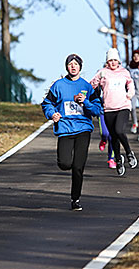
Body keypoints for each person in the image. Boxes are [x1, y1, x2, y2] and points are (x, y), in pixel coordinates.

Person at [41, 54, 103, 211]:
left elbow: (97, 109)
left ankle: (75, 199)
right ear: (66, 67)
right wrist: (52, 114)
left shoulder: (88, 87)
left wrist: (85, 102)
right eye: (70, 64)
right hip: (65, 129)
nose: (73, 66)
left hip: (83, 129)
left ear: (80, 67)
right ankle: (65, 163)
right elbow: (47, 103)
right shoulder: (59, 85)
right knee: (65, 164)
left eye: (76, 64)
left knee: (78, 167)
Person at [90, 47, 137, 176]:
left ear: (119, 61)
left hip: (123, 106)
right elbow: (91, 85)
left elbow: (130, 84)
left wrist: (130, 93)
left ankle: (129, 153)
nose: (113, 63)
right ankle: (118, 159)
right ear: (107, 62)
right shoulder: (103, 72)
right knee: (113, 137)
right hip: (108, 108)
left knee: (119, 131)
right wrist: (97, 79)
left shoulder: (124, 72)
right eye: (110, 60)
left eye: (115, 60)